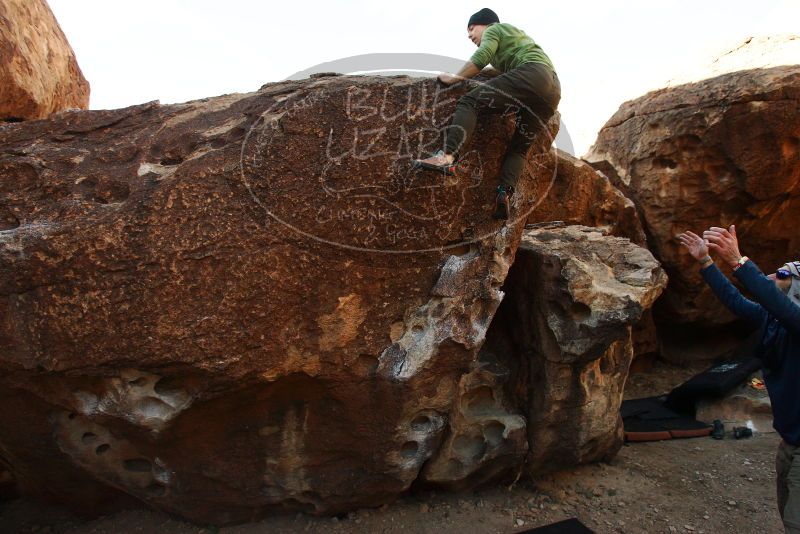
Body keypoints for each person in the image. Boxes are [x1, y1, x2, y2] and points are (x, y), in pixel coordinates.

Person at [678, 225, 800, 533]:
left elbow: (776, 302)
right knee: (787, 515)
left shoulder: (794, 320)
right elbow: (736, 301)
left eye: (784, 275)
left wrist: (738, 261)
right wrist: (707, 262)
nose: (775, 276)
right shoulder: (774, 320)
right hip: (790, 443)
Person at [412, 8, 561, 220]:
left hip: (533, 74)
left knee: (470, 100)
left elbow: (482, 58)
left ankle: (446, 157)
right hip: (552, 91)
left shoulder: (494, 29)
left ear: (485, 24)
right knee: (518, 148)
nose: (470, 35)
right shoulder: (515, 38)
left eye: (472, 29)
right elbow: (497, 71)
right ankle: (504, 193)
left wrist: (455, 78)